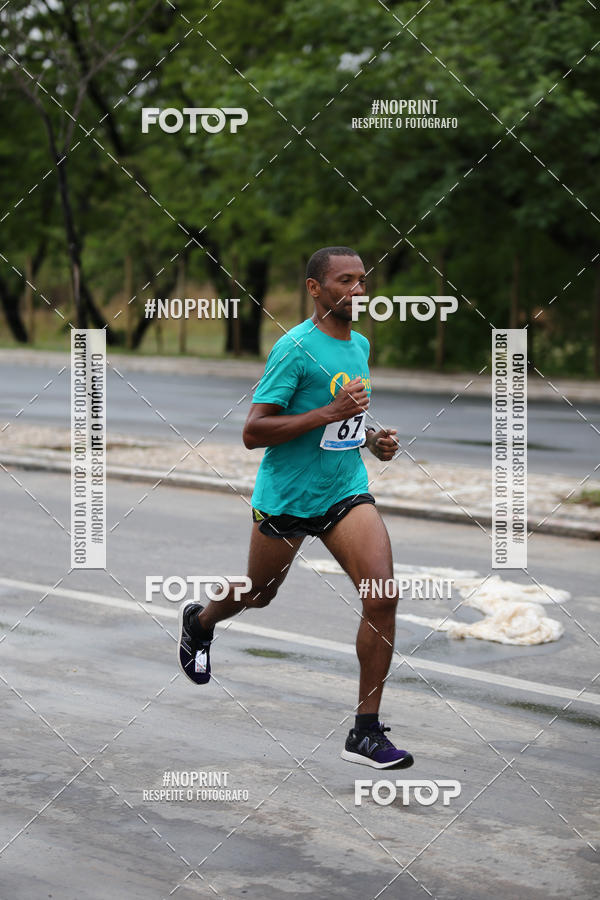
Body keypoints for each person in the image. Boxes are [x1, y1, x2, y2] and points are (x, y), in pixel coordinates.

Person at [178, 246, 414, 769]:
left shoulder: (360, 347)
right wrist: (329, 411)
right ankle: (201, 620)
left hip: (344, 491)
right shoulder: (293, 349)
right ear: (315, 288)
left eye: (362, 280)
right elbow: (252, 432)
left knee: (382, 596)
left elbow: (343, 420)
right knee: (258, 594)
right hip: (286, 498)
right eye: (345, 281)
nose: (358, 291)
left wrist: (371, 440)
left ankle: (365, 732)